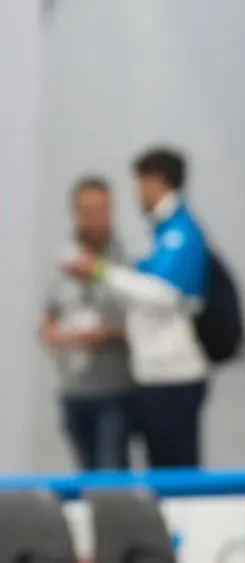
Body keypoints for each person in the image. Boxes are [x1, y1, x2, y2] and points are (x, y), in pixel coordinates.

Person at [63, 147, 211, 468]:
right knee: (159, 469)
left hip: (173, 373)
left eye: (140, 184)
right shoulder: (158, 232)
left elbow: (165, 294)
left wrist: (101, 271)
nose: (136, 193)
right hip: (152, 374)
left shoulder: (180, 232)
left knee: (175, 474)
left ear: (156, 182)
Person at [42, 176, 135, 471]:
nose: (95, 218)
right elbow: (48, 320)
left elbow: (143, 324)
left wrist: (107, 335)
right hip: (74, 390)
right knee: (85, 476)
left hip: (114, 390)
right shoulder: (62, 264)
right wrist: (59, 336)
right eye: (87, 210)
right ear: (75, 211)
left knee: (111, 475)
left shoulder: (128, 260)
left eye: (101, 209)